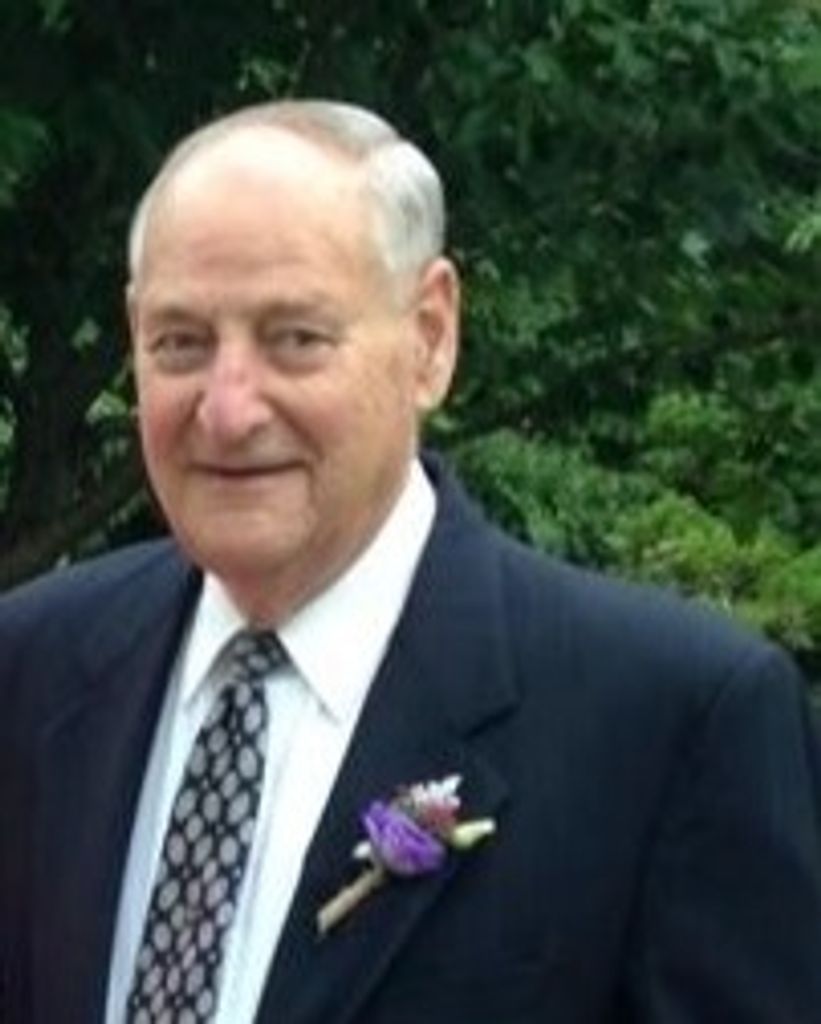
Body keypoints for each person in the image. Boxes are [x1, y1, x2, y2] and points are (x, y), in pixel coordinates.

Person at [1, 100, 820, 1024]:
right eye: (180, 343)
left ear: (430, 337)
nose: (227, 410)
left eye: (295, 339)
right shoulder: (29, 669)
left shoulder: (671, 724)